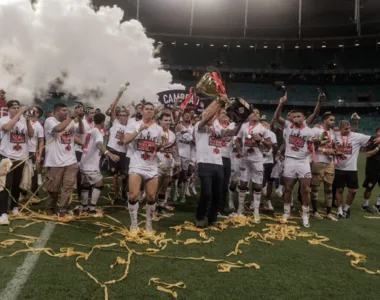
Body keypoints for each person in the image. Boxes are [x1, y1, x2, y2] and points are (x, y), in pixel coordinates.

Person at [273, 95, 318, 227]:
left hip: (303, 161)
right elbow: (276, 118)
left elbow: (314, 146)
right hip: (290, 160)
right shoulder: (288, 125)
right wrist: (280, 104)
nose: (296, 118)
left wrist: (316, 143)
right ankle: (286, 212)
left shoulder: (309, 132)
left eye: (299, 116)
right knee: (288, 188)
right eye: (294, 116)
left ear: (303, 118)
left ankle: (305, 215)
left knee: (305, 189)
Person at [124, 102, 164, 234]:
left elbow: (160, 145)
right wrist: (139, 130)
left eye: (151, 109)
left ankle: (148, 223)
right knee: (134, 195)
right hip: (136, 164)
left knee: (152, 197)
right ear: (141, 111)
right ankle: (134, 224)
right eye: (146, 109)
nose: (149, 111)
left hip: (151, 166)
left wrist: (157, 147)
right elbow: (125, 140)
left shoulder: (158, 129)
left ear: (154, 112)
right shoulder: (133, 125)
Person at [194, 94, 229, 228]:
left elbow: (230, 133)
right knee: (207, 193)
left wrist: (241, 121)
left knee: (217, 194)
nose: (210, 115)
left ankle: (212, 218)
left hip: (218, 164)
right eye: (207, 113)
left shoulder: (217, 127)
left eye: (211, 113)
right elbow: (207, 117)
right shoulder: (199, 125)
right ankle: (200, 216)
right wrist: (219, 103)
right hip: (204, 163)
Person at [333, 120, 380, 219]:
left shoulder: (356, 136)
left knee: (353, 191)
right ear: (340, 128)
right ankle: (340, 210)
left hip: (352, 169)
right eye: (346, 129)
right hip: (338, 168)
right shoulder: (335, 135)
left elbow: (372, 138)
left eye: (349, 128)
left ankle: (347, 208)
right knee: (339, 189)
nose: (348, 130)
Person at [44, 103, 83, 216]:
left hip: (71, 160)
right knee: (53, 188)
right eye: (64, 110)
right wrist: (71, 117)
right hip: (55, 161)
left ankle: (63, 208)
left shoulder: (69, 121)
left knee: (68, 186)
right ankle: (50, 208)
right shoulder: (50, 120)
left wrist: (79, 119)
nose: (66, 112)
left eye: (67, 110)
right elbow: (58, 128)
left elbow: (80, 131)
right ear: (57, 112)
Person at [235, 108, 273, 224]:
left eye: (257, 112)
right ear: (249, 115)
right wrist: (239, 151)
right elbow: (237, 140)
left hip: (257, 160)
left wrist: (261, 140)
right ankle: (240, 209)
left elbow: (270, 145)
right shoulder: (244, 126)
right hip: (245, 159)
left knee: (257, 185)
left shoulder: (263, 128)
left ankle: (256, 210)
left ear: (259, 116)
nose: (255, 114)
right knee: (242, 184)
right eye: (253, 112)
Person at [0, 100, 34, 225]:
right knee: (4, 186)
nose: (16, 109)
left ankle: (14, 207)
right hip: (7, 158)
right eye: (13, 107)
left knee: (16, 184)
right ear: (8, 109)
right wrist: (19, 113)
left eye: (18, 107)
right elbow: (7, 128)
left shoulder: (24, 120)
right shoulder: (3, 119)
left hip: (21, 158)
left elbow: (31, 134)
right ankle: (2, 213)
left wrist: (28, 120)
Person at [79, 113, 119, 214]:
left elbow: (84, 144)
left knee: (86, 186)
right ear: (103, 122)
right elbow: (99, 144)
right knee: (99, 184)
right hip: (91, 164)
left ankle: (84, 207)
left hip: (84, 162)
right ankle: (92, 209)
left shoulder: (90, 130)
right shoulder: (97, 132)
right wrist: (109, 154)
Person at [310, 112, 338, 221]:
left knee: (329, 188)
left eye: (334, 120)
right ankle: (315, 212)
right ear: (325, 120)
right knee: (315, 187)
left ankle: (329, 213)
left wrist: (335, 151)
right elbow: (310, 145)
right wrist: (326, 150)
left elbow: (333, 147)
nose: (333, 122)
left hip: (330, 162)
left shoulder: (333, 133)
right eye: (331, 120)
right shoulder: (316, 130)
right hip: (318, 161)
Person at [156, 113, 180, 214]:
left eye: (169, 120)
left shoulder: (172, 134)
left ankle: (160, 208)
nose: (168, 122)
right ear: (160, 121)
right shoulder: (155, 132)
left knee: (164, 187)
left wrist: (177, 161)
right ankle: (150, 207)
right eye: (165, 120)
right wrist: (159, 163)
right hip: (157, 162)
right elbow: (151, 150)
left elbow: (174, 149)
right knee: (154, 187)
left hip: (168, 162)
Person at [20, 106, 44, 203]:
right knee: (22, 174)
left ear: (37, 114)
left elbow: (41, 141)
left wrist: (39, 154)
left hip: (31, 152)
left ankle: (35, 195)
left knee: (32, 175)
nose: (30, 111)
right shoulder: (23, 121)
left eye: (33, 110)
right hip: (21, 151)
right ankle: (23, 193)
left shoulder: (38, 126)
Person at [74, 106, 95, 199]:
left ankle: (89, 191)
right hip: (80, 151)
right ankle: (80, 194)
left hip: (90, 152)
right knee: (80, 173)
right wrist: (82, 144)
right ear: (86, 114)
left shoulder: (93, 123)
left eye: (94, 113)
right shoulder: (80, 123)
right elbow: (74, 137)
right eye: (91, 113)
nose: (93, 114)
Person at [361, 128, 380, 213]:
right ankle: (365, 205)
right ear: (377, 132)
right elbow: (368, 154)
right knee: (369, 188)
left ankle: (378, 204)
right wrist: (378, 148)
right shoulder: (372, 140)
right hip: (372, 169)